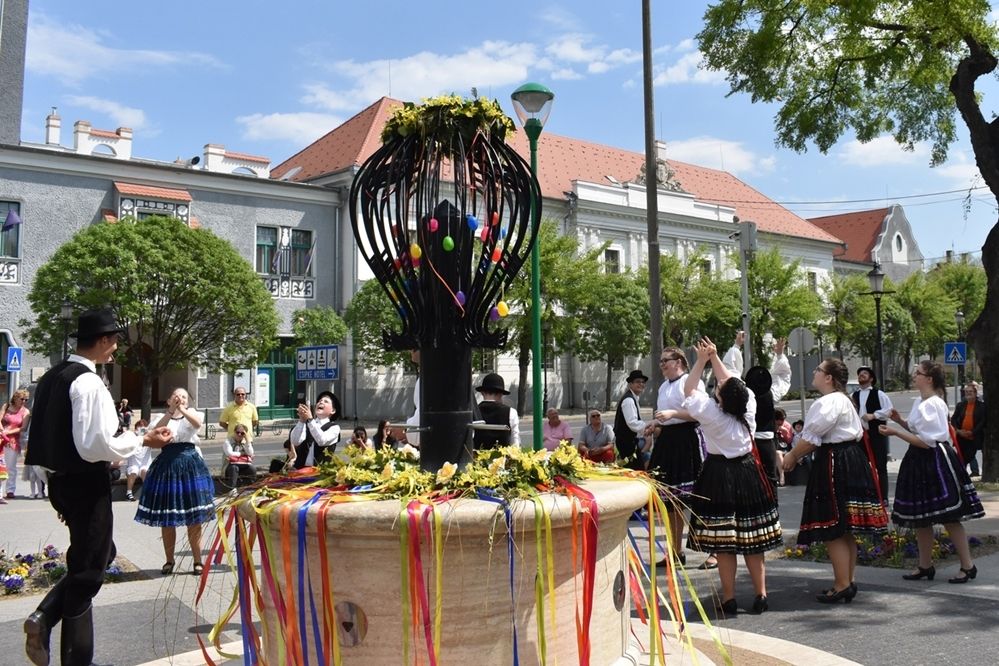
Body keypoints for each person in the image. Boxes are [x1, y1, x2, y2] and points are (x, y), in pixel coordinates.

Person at [23, 308, 172, 666]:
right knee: (89, 571)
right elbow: (96, 445)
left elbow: (43, 438)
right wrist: (143, 441)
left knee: (100, 554)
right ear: (103, 341)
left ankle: (44, 619)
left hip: (60, 481)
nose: (117, 348)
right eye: (115, 341)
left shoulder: (53, 376)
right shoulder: (88, 382)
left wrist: (54, 484)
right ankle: (64, 645)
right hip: (85, 482)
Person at [659, 338, 781, 615]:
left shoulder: (711, 414)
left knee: (725, 542)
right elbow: (733, 385)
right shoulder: (747, 410)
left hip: (719, 474)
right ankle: (761, 593)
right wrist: (714, 357)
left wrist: (703, 360)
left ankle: (729, 598)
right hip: (748, 471)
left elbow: (689, 388)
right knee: (753, 539)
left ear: (721, 398)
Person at [781, 358, 888, 603]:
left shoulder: (828, 401)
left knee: (834, 527)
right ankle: (847, 581)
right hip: (851, 458)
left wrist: (792, 456)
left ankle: (841, 584)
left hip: (835, 460)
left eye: (818, 370)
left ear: (828, 377)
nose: (815, 372)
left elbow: (811, 439)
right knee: (845, 528)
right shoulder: (844, 400)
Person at [880, 361, 985, 584]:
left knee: (949, 516)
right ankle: (925, 565)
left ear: (929, 379)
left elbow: (928, 442)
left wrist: (896, 432)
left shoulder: (933, 404)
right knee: (921, 518)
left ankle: (968, 565)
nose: (914, 376)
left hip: (934, 460)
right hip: (920, 460)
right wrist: (900, 421)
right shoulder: (921, 401)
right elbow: (919, 430)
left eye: (918, 373)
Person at [135, 387, 214, 578]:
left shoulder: (193, 413)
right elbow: (153, 432)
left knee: (194, 518)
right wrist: (171, 412)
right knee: (167, 517)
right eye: (176, 396)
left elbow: (196, 425)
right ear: (169, 400)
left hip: (189, 465)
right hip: (167, 466)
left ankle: (197, 560)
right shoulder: (162, 417)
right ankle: (169, 560)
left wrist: (183, 409)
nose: (180, 399)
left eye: (184, 397)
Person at [647, 347, 703, 567]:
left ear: (679, 361)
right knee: (668, 501)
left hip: (686, 439)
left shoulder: (689, 381)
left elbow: (700, 412)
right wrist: (655, 424)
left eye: (665, 361)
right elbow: (665, 418)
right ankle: (674, 550)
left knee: (686, 499)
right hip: (668, 441)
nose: (662, 365)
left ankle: (697, 550)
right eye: (660, 361)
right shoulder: (663, 387)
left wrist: (673, 414)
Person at [743, 338, 792, 491]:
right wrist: (780, 355)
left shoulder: (744, 395)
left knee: (750, 478)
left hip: (748, 441)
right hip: (766, 441)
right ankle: (771, 508)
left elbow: (730, 372)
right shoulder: (772, 393)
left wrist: (736, 346)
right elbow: (784, 377)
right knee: (769, 477)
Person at [852, 365, 893, 502]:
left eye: (864, 373)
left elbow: (888, 410)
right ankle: (867, 495)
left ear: (871, 378)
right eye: (860, 374)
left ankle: (884, 497)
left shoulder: (879, 394)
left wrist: (873, 415)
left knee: (880, 466)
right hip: (860, 437)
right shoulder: (854, 395)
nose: (861, 375)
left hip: (877, 434)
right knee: (860, 467)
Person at [290, 391, 342, 468]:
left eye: (326, 401)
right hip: (300, 470)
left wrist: (310, 420)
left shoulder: (334, 428)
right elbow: (295, 441)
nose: (321, 402)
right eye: (319, 401)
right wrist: (301, 420)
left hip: (320, 473)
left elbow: (321, 440)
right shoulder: (307, 423)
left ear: (333, 411)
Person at [473, 373, 520, 449]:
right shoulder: (511, 412)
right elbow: (515, 443)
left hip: (477, 458)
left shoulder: (473, 412)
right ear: (501, 394)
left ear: (482, 393)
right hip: (503, 459)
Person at [613, 369, 649, 469]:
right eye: (638, 382)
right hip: (626, 442)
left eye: (642, 382)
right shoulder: (628, 400)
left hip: (630, 440)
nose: (641, 384)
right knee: (635, 470)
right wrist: (648, 426)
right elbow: (632, 423)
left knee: (635, 469)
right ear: (630, 384)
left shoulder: (633, 398)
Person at [1, 388, 31, 499]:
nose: (24, 401)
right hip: (1, 438)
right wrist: (1, 431)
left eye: (26, 399)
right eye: (22, 399)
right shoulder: (6, 407)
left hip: (12, 441)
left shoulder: (25, 412)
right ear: (16, 398)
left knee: (10, 467)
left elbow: (23, 428)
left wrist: (8, 432)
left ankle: (10, 490)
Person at [951, 381, 986, 476]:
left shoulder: (981, 406)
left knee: (969, 456)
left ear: (975, 393)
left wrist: (972, 432)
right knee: (960, 458)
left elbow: (982, 422)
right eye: (966, 392)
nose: (968, 394)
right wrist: (958, 431)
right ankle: (962, 475)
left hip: (973, 438)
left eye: (970, 392)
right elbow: (953, 419)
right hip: (961, 437)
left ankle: (971, 472)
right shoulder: (960, 405)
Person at [124, 419, 152, 501]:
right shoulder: (131, 438)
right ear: (136, 429)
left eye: (143, 428)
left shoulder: (149, 438)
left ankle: (148, 493)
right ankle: (129, 493)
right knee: (134, 470)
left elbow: (157, 442)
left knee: (144, 470)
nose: (141, 430)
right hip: (133, 465)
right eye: (139, 427)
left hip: (144, 465)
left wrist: (148, 433)